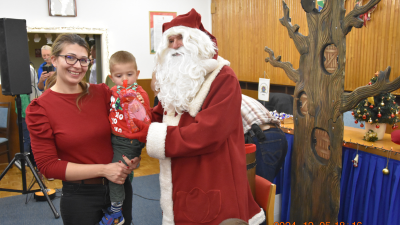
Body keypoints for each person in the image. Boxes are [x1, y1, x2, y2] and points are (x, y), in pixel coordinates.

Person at [133, 9, 265, 225]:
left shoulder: (223, 78)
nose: (175, 45)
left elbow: (208, 133)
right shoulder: (174, 79)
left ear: (197, 42)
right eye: (170, 40)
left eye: (181, 38)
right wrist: (133, 117)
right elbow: (159, 116)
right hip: (179, 176)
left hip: (212, 176)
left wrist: (153, 135)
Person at [26, 33, 139, 225]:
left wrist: (132, 156)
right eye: (70, 57)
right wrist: (104, 170)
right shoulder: (40, 108)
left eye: (84, 60)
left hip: (119, 187)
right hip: (81, 197)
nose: (78, 65)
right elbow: (48, 166)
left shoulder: (102, 92)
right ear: (53, 60)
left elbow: (125, 128)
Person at [101, 50, 151, 224]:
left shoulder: (139, 94)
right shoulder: (113, 91)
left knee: (116, 173)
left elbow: (145, 119)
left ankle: (116, 211)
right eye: (119, 75)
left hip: (129, 141)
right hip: (115, 138)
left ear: (137, 74)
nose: (125, 79)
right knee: (117, 172)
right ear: (111, 77)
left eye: (129, 74)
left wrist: (134, 106)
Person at [242, 94, 288, 182]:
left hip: (262, 138)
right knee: (266, 187)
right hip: (279, 134)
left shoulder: (223, 101)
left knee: (260, 189)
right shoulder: (242, 96)